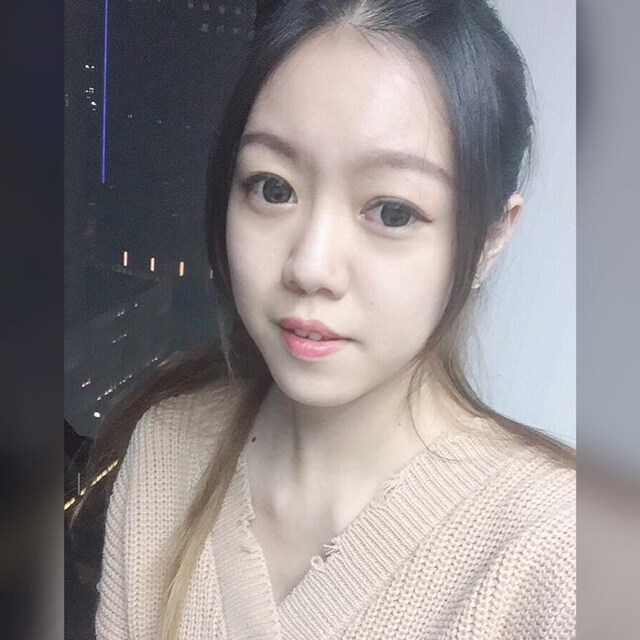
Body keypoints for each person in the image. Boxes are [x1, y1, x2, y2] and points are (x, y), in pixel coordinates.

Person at [89, 1, 576, 638]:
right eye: (273, 188)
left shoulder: (559, 556)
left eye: (393, 212)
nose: (310, 266)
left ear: (490, 240)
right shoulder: (165, 450)